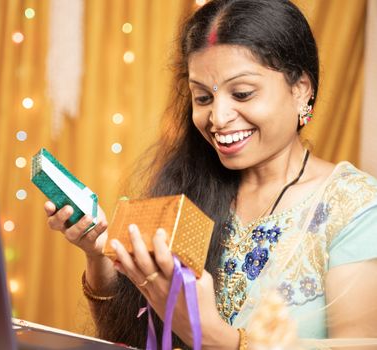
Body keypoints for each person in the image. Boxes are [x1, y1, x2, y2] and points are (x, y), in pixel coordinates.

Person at [44, 0, 377, 348]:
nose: (218, 117)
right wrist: (99, 257)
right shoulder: (191, 187)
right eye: (203, 98)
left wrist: (215, 336)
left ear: (301, 90)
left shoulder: (354, 207)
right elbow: (129, 336)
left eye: (242, 93)